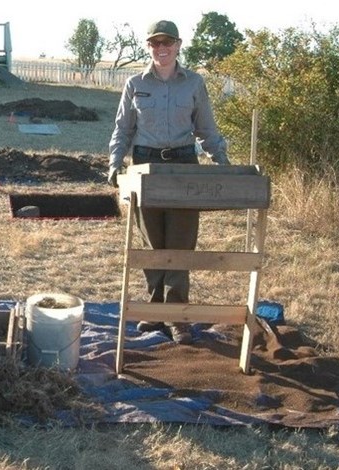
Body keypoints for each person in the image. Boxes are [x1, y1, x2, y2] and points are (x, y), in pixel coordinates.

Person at [108, 20, 231, 345]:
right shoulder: (135, 83)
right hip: (145, 169)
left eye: (167, 43)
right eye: (155, 43)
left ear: (178, 45)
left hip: (183, 168)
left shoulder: (193, 83)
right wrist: (114, 163)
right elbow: (123, 129)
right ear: (148, 47)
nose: (161, 49)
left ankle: (178, 318)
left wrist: (223, 161)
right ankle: (154, 313)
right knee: (153, 245)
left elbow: (206, 129)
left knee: (180, 244)